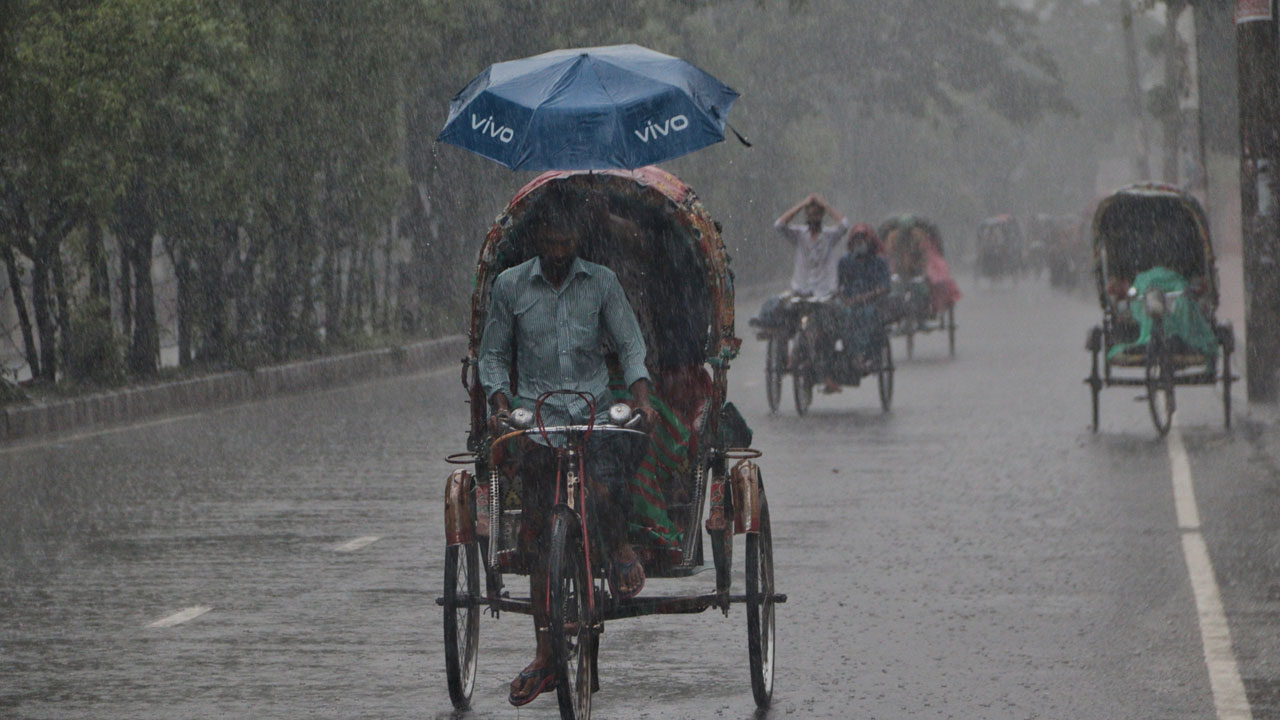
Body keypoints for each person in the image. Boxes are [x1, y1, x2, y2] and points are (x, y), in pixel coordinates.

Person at [477, 187, 659, 707]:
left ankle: (618, 542)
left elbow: (629, 344)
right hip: (535, 414)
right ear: (538, 239)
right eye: (550, 240)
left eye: (567, 240)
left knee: (608, 478)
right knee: (538, 535)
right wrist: (498, 400)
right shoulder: (511, 287)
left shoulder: (601, 282)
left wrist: (641, 397)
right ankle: (543, 651)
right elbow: (492, 356)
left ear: (578, 240)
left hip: (593, 409)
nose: (559, 249)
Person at [836, 224, 892, 374]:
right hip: (850, 303)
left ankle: (864, 354)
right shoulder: (845, 262)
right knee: (843, 317)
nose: (859, 243)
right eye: (856, 240)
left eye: (862, 239)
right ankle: (850, 354)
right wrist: (845, 299)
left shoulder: (880, 262)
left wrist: (868, 296)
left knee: (867, 316)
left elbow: (885, 286)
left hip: (873, 303)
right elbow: (838, 286)